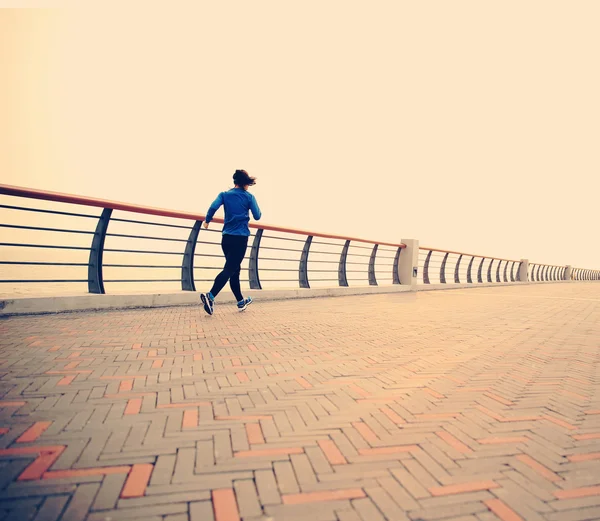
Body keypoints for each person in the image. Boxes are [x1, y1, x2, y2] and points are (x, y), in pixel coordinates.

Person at [200, 169, 262, 315]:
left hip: (226, 238)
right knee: (230, 269)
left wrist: (207, 221)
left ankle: (241, 301)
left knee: (234, 270)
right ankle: (210, 296)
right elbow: (257, 216)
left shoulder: (224, 195)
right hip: (240, 238)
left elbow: (213, 207)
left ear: (234, 182)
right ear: (245, 183)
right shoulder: (249, 197)